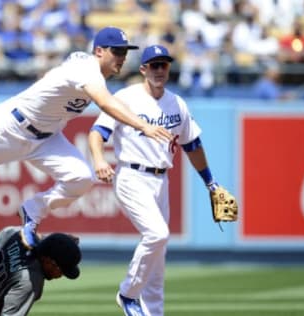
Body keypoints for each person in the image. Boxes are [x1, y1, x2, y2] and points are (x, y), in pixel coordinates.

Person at [0, 26, 173, 249]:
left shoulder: (90, 69)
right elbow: (105, 103)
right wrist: (144, 126)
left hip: (46, 138)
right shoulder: (87, 69)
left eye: (125, 52)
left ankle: (32, 211)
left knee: (81, 178)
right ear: (99, 51)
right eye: (116, 51)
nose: (122, 57)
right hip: (10, 128)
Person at [88, 45, 226, 316]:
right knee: (157, 234)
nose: (160, 70)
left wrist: (211, 183)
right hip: (131, 175)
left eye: (164, 65)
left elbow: (193, 145)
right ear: (143, 69)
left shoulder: (177, 103)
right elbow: (97, 132)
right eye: (154, 65)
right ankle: (128, 294)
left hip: (161, 181)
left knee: (158, 258)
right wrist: (99, 160)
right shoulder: (125, 97)